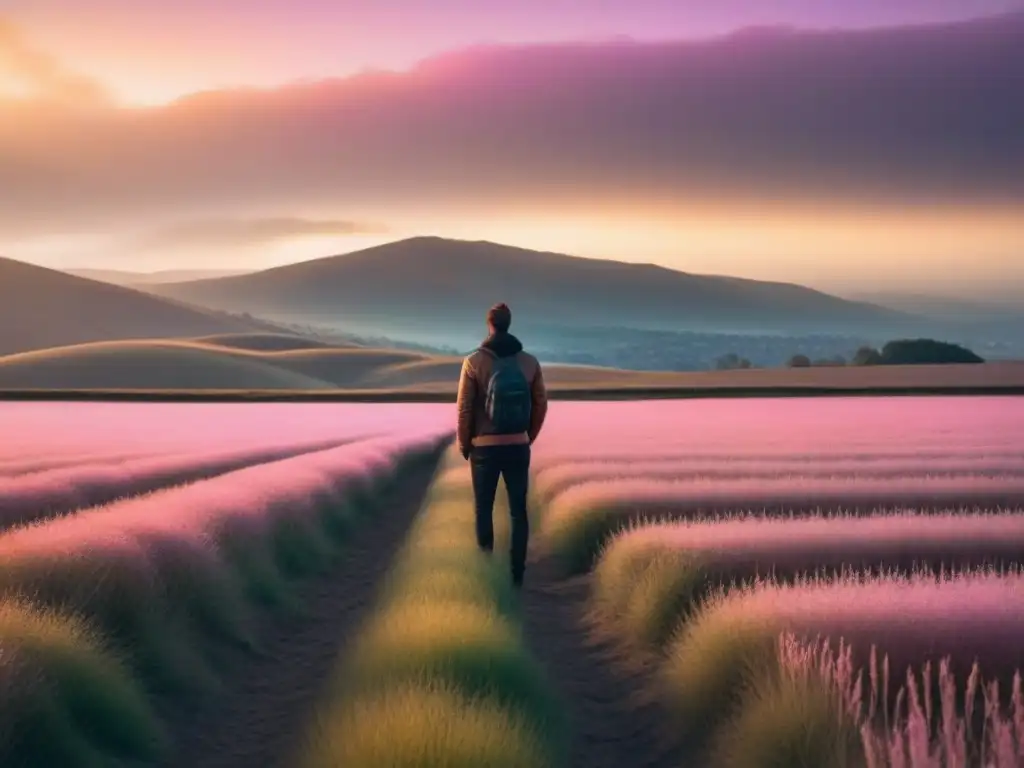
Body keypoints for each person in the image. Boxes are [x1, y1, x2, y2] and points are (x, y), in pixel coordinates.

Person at [456, 302, 548, 587]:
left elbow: (465, 409)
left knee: (483, 508)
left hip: (484, 447)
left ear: (490, 325)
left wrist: (464, 443)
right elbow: (541, 404)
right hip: (517, 445)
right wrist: (527, 436)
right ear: (510, 324)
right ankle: (516, 575)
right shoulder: (530, 362)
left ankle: (486, 571)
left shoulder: (473, 362)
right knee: (518, 510)